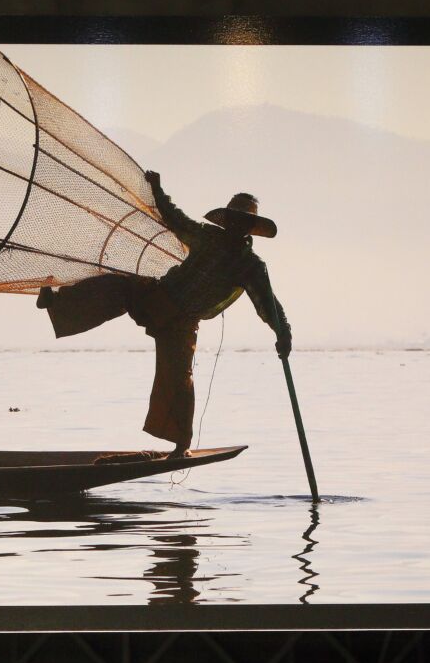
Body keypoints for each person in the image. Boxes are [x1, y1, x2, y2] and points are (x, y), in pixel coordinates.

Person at [38, 171, 292, 456]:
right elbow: (175, 218)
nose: (235, 225)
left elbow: (268, 304)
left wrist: (283, 334)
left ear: (249, 228)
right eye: (232, 219)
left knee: (178, 379)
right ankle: (56, 302)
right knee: (118, 286)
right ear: (226, 220)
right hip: (158, 297)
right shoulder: (207, 236)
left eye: (241, 221)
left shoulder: (251, 266)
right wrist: (158, 190)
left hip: (182, 322)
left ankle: (181, 446)